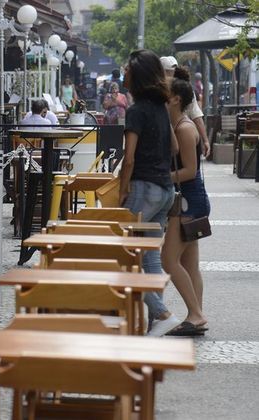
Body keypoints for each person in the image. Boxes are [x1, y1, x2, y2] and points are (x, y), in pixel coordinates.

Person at [119, 49, 180, 336]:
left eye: (127, 70)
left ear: (137, 76)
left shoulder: (136, 111)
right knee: (149, 258)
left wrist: (122, 193)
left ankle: (162, 313)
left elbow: (128, 158)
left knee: (121, 257)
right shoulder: (160, 107)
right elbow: (175, 149)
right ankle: (158, 321)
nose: (124, 74)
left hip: (144, 189)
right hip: (165, 191)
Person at [162, 67, 210, 336]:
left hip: (188, 201)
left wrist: (161, 178)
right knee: (190, 264)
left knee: (168, 260)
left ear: (176, 98)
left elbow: (189, 171)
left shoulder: (184, 128)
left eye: (165, 90)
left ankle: (196, 314)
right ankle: (197, 315)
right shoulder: (178, 126)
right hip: (192, 201)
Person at [161, 56, 210, 158]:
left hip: (182, 137)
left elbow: (197, 116)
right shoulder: (160, 89)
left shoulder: (184, 90)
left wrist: (205, 140)